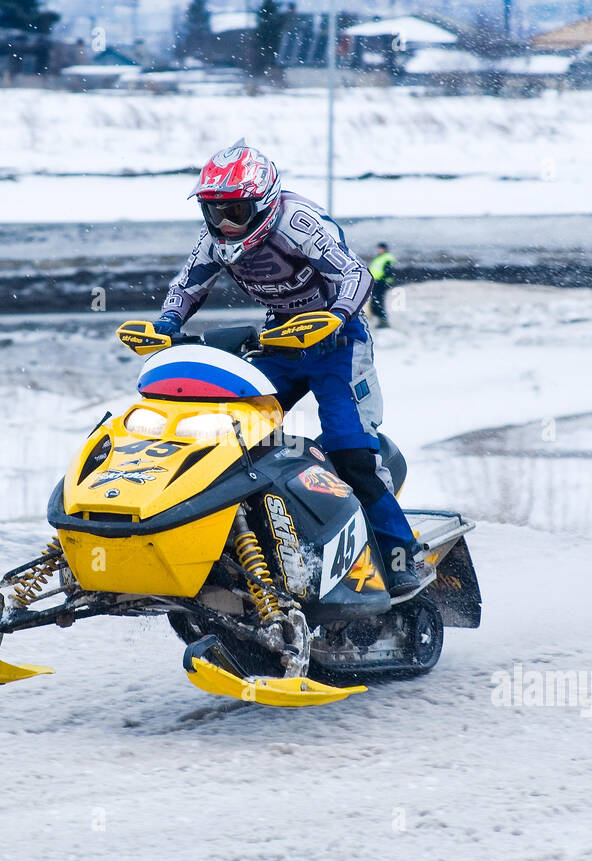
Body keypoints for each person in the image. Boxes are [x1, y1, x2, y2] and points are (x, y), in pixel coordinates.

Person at [153, 141, 425, 596]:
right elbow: (189, 282)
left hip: (338, 343)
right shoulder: (216, 241)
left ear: (262, 203)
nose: (223, 224)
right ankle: (245, 545)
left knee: (351, 454)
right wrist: (168, 321)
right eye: (213, 212)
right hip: (278, 340)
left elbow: (356, 275)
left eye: (234, 212)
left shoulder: (297, 223)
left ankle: (401, 557)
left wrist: (337, 314)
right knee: (230, 436)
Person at [368, 242, 396, 329]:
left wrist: (381, 280)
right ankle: (381, 320)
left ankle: (383, 320)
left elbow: (388, 272)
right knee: (375, 301)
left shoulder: (386, 258)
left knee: (378, 301)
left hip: (381, 283)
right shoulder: (380, 258)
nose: (379, 250)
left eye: (380, 248)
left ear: (384, 249)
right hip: (377, 282)